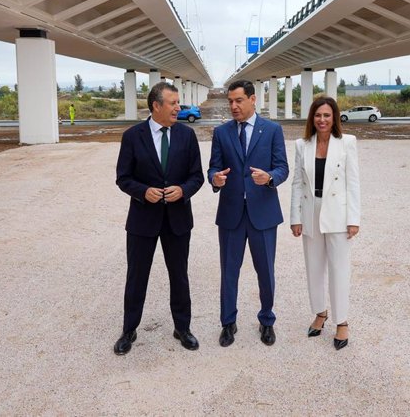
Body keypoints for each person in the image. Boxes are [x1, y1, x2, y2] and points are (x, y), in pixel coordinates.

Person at [114, 82, 204, 355]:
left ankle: (182, 328)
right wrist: (143, 192)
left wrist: (183, 190)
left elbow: (196, 177)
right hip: (143, 220)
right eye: (173, 103)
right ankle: (129, 330)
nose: (179, 107)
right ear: (156, 106)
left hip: (177, 220)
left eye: (179, 103)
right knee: (136, 276)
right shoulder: (132, 136)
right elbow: (123, 178)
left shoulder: (187, 136)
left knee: (179, 276)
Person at [208, 79, 289, 347]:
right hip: (231, 214)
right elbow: (213, 168)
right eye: (230, 101)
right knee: (229, 272)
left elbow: (282, 168)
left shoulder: (273, 130)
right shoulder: (221, 133)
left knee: (265, 271)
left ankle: (267, 321)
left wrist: (269, 178)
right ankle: (228, 323)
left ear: (253, 100)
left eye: (238, 100)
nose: (233, 106)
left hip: (263, 214)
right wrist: (215, 179)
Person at [289, 96, 360, 350]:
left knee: (339, 268)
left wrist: (354, 219)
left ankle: (342, 321)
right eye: (318, 115)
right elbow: (297, 183)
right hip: (311, 210)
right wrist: (295, 217)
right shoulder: (302, 144)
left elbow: (353, 183)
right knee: (314, 267)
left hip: (338, 214)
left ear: (335, 117)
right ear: (312, 118)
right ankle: (320, 312)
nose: (322, 120)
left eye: (327, 115)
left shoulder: (347, 143)